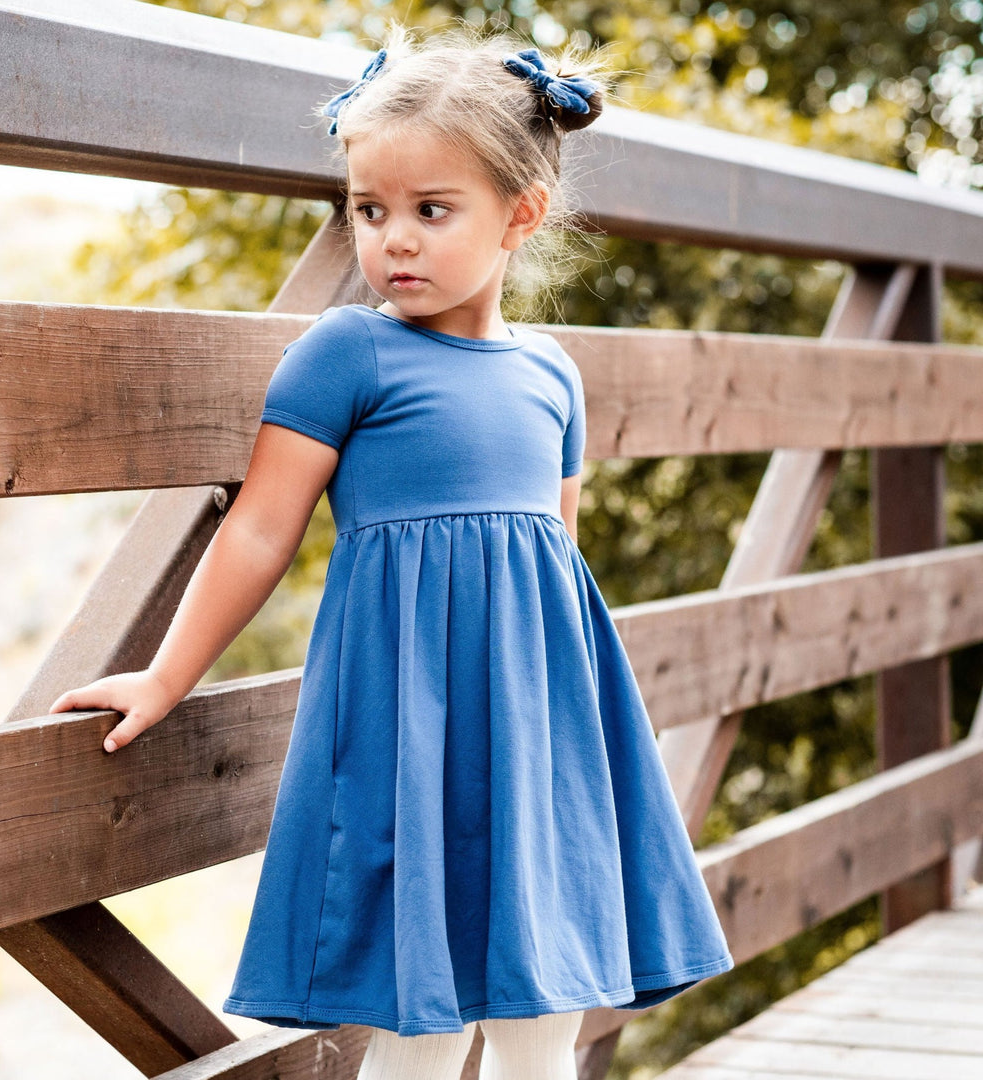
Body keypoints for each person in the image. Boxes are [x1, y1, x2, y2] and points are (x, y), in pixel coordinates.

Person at [51, 27, 733, 1080]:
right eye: (371, 211)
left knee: (545, 995)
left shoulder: (552, 376)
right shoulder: (346, 353)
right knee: (422, 1009)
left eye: (430, 210)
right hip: (410, 717)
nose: (393, 241)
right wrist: (166, 672)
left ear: (521, 214)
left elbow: (557, 555)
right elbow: (262, 527)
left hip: (539, 728)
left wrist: (566, 734)